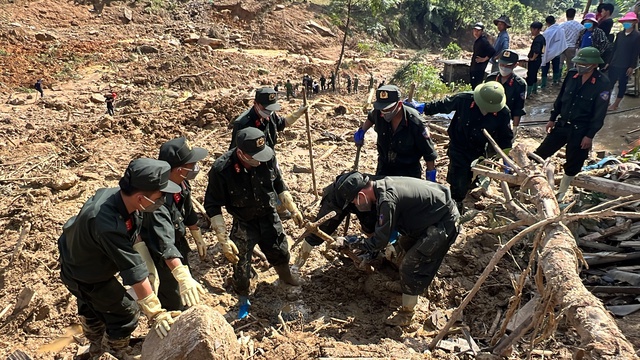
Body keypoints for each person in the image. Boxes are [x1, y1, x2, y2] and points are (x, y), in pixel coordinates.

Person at [58, 158, 182, 358]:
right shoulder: (106, 224)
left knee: (96, 308)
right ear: (142, 198)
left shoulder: (122, 200)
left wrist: (141, 251)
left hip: (85, 255)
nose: (162, 200)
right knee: (126, 313)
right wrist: (156, 313)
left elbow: (133, 233)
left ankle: (97, 346)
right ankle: (111, 351)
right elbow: (133, 273)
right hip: (84, 272)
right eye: (160, 196)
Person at [333, 171, 461, 326]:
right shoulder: (381, 187)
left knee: (410, 265)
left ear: (361, 195)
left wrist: (351, 242)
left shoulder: (387, 200)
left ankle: (407, 313)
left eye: (354, 201)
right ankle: (409, 285)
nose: (355, 205)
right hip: (427, 218)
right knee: (401, 248)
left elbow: (379, 241)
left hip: (443, 222)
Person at [204, 128, 304, 320]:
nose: (260, 160)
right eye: (255, 157)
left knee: (280, 249)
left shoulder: (267, 157)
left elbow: (278, 183)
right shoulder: (221, 170)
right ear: (241, 153)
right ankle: (243, 296)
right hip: (243, 221)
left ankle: (285, 276)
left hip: (268, 215)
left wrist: (292, 207)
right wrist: (222, 238)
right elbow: (212, 204)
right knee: (240, 264)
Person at [418, 82, 513, 210]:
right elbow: (443, 105)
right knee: (458, 177)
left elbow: (505, 137)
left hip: (481, 149)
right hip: (459, 145)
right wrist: (424, 107)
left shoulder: (503, 113)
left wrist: (506, 159)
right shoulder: (464, 99)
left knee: (473, 176)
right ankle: (456, 202)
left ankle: (471, 187)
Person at [139, 137, 209, 311]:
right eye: (192, 164)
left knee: (185, 273)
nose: (196, 168)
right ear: (178, 169)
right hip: (159, 251)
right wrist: (180, 275)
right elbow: (164, 243)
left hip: (176, 240)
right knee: (172, 290)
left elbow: (187, 208)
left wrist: (195, 232)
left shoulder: (182, 182)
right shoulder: (156, 198)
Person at [533, 47, 610, 201]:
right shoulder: (571, 75)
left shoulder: (602, 83)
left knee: (574, 161)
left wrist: (589, 135)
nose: (580, 66)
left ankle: (562, 193)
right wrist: (552, 118)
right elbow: (561, 98)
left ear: (594, 64)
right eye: (578, 63)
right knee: (540, 153)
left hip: (581, 130)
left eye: (583, 63)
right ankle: (530, 181)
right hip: (562, 124)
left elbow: (599, 114)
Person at [354, 85, 437, 179]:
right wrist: (362, 131)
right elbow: (371, 118)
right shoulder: (378, 113)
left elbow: (429, 154)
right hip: (384, 167)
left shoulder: (415, 122)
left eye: (388, 109)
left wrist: (431, 177)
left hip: (408, 173)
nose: (384, 112)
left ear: (399, 105)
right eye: (382, 109)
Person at [229, 87, 307, 150]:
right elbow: (235, 152)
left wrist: (298, 114)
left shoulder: (270, 115)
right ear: (255, 103)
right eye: (265, 108)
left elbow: (281, 124)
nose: (268, 111)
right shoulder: (243, 123)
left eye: (271, 108)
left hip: (269, 159)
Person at [486, 50, 527, 136]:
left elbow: (518, 108)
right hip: (488, 119)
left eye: (507, 66)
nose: (503, 68)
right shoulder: (491, 79)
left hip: (505, 122)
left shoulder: (519, 84)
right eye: (501, 64)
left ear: (515, 65)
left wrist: (515, 128)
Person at [605, 12, 640, 111]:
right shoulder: (620, 34)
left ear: (633, 22)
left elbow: (635, 52)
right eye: (625, 21)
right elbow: (614, 49)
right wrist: (609, 62)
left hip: (626, 65)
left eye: (629, 21)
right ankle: (607, 102)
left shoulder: (637, 36)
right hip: (615, 62)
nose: (626, 23)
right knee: (609, 83)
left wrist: (631, 66)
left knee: (622, 84)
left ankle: (616, 104)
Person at [541, 16, 567, 89]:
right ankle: (555, 81)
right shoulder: (560, 30)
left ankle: (544, 84)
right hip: (557, 52)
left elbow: (544, 44)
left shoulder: (547, 32)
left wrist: (543, 53)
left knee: (545, 67)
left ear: (547, 23)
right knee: (556, 66)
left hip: (548, 52)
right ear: (554, 21)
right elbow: (562, 41)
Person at [470, 22, 496, 89]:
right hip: (475, 67)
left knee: (477, 86)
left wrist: (484, 59)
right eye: (475, 30)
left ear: (482, 31)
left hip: (479, 68)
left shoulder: (483, 41)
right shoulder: (478, 40)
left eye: (478, 31)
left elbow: (492, 50)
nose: (476, 32)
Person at [527, 21, 546, 95]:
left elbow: (537, 51)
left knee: (530, 75)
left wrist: (533, 58)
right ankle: (534, 90)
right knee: (534, 74)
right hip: (539, 59)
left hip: (534, 60)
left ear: (536, 29)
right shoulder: (542, 38)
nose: (531, 31)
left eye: (532, 29)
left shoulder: (537, 39)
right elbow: (543, 49)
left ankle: (528, 92)